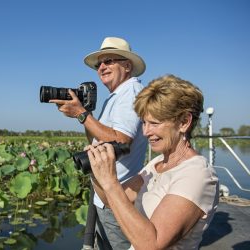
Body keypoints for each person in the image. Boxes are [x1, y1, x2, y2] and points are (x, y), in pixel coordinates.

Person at [86, 74, 219, 249]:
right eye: (144, 123)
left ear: (184, 122)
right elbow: (112, 202)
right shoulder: (157, 164)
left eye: (154, 123)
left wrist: (110, 182)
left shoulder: (197, 175)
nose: (146, 132)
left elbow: (152, 244)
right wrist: (98, 172)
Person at [50, 37, 148, 249]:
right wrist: (83, 114)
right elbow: (97, 140)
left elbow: (121, 140)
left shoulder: (129, 93)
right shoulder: (115, 96)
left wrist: (82, 114)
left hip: (118, 196)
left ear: (127, 65)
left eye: (109, 61)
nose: (102, 67)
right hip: (105, 195)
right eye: (98, 64)